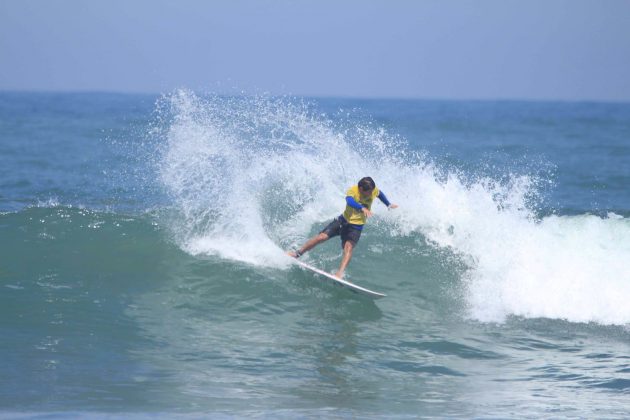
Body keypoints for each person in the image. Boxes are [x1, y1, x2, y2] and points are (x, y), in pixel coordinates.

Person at [287, 176, 398, 278]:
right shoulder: (353, 191)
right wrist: (362, 208)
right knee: (321, 237)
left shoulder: (372, 190)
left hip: (356, 227)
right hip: (342, 221)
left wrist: (388, 204)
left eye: (371, 192)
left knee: (348, 247)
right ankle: (297, 253)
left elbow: (379, 194)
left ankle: (339, 273)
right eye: (367, 193)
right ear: (360, 188)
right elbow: (349, 201)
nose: (370, 195)